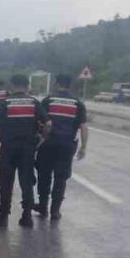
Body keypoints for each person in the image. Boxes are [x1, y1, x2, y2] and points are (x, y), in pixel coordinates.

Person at [0, 74, 49, 228]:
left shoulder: (5, 103)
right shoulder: (34, 102)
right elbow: (48, 123)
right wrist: (42, 138)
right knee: (27, 182)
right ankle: (26, 216)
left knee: (5, 182)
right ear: (27, 85)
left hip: (8, 148)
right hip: (28, 149)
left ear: (12, 85)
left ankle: (3, 217)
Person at [35, 74, 89, 220]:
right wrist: (83, 147)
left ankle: (43, 207)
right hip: (66, 146)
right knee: (61, 177)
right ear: (69, 85)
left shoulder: (47, 101)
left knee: (44, 175)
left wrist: (37, 140)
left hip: (47, 145)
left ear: (56, 83)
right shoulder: (78, 103)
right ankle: (55, 211)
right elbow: (83, 127)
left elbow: (40, 123)